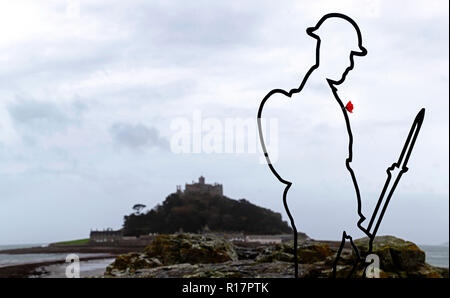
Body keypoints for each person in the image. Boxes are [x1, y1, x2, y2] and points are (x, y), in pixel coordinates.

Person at [257, 13, 369, 278]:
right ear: (332, 49)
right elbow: (296, 169)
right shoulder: (289, 104)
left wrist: (352, 217)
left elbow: (341, 166)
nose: (351, 64)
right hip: (325, 211)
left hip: (342, 216)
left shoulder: (331, 100)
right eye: (349, 55)